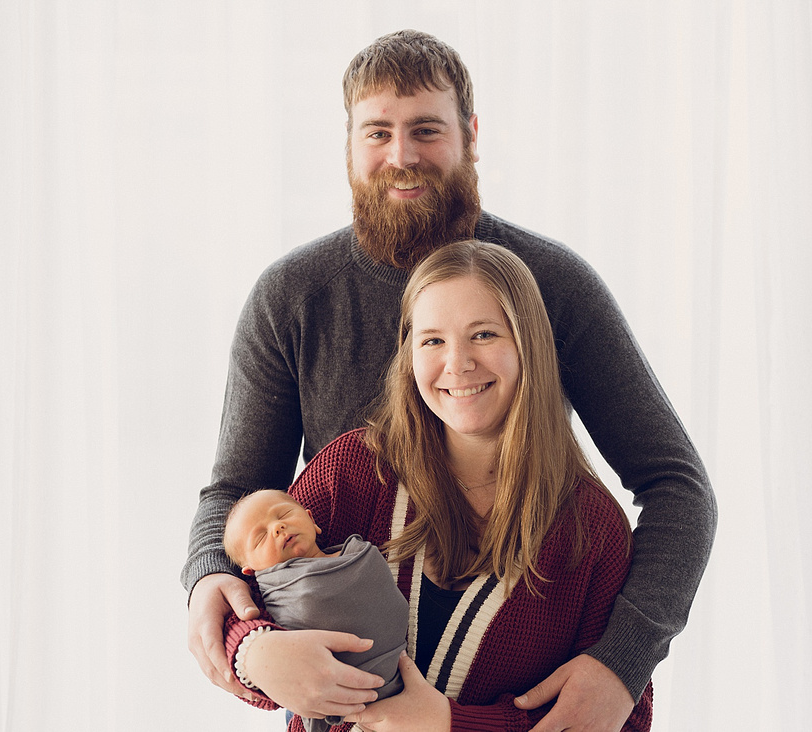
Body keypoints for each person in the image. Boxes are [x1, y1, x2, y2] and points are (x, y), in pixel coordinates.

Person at [184, 29, 717, 730]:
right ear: (349, 145)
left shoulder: (555, 287)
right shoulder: (294, 308)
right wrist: (243, 641)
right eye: (378, 132)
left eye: (426, 130)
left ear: (470, 134)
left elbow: (676, 484)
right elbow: (240, 501)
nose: (401, 155)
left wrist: (621, 663)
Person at [227, 240, 652, 730]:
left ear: (529, 343)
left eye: (484, 334)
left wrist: (451, 724)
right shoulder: (353, 470)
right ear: (409, 354)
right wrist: (253, 652)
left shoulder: (591, 529)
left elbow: (619, 718)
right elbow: (245, 585)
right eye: (432, 340)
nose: (458, 363)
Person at [222, 489, 409, 729]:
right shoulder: (264, 598)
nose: (278, 527)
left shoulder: (359, 552)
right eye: (260, 537)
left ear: (311, 520)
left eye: (284, 514)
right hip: (335, 706)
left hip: (403, 684)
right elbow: (236, 640)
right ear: (251, 571)